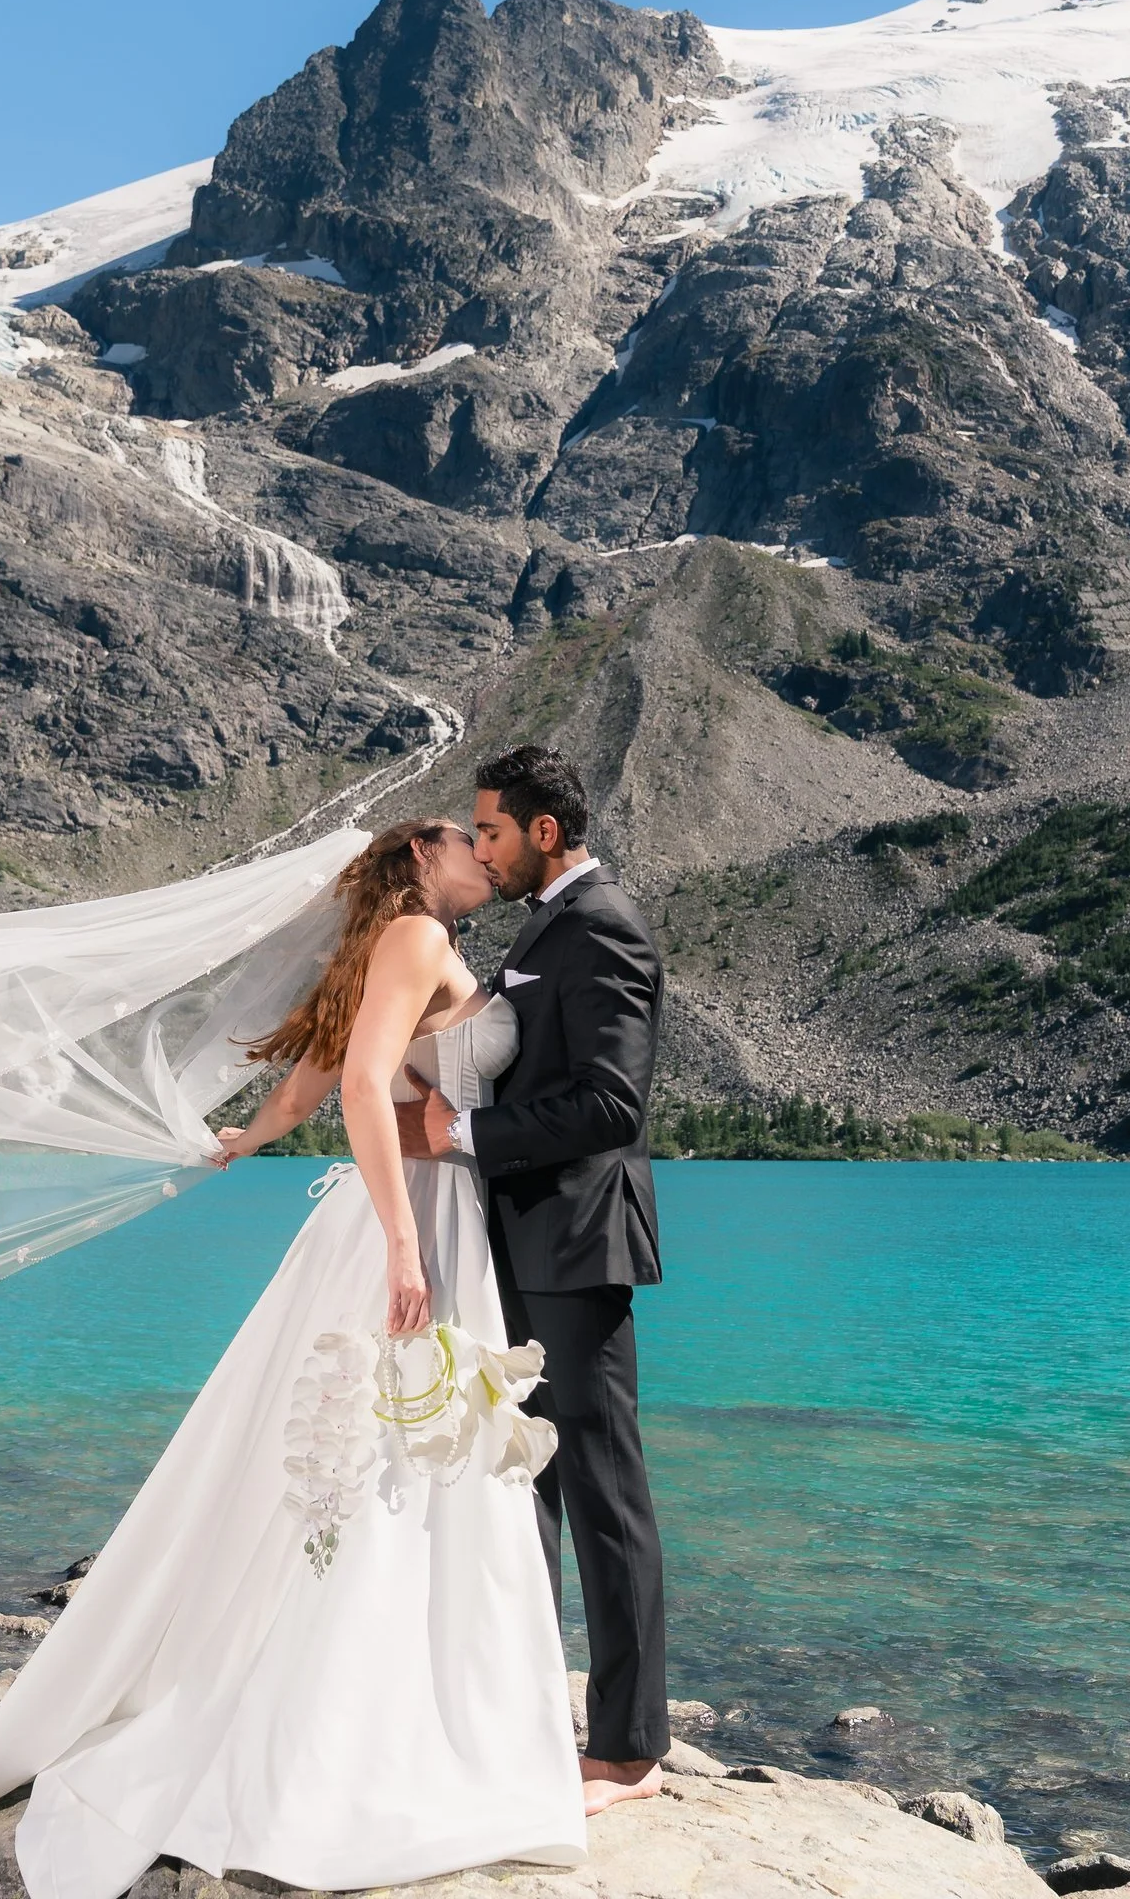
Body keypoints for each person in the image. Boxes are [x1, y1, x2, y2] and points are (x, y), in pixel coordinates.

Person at [0, 816, 588, 1899]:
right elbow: (362, 1087)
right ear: (422, 855)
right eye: (467, 836)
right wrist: (402, 1243)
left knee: (377, 1447)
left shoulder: (399, 944)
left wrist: (246, 1139)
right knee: (381, 1451)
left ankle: (364, 1693)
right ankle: (366, 1722)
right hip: (414, 1214)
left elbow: (310, 1080)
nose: (484, 846)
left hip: (423, 1210)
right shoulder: (417, 937)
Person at [393, 744, 670, 1816]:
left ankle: (631, 1750)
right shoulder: (544, 924)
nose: (483, 849)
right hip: (516, 1240)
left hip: (579, 1242)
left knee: (604, 1490)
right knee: (529, 1483)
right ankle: (527, 1718)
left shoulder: (605, 925)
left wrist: (458, 1132)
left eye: (493, 831)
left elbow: (611, 1104)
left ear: (544, 830)